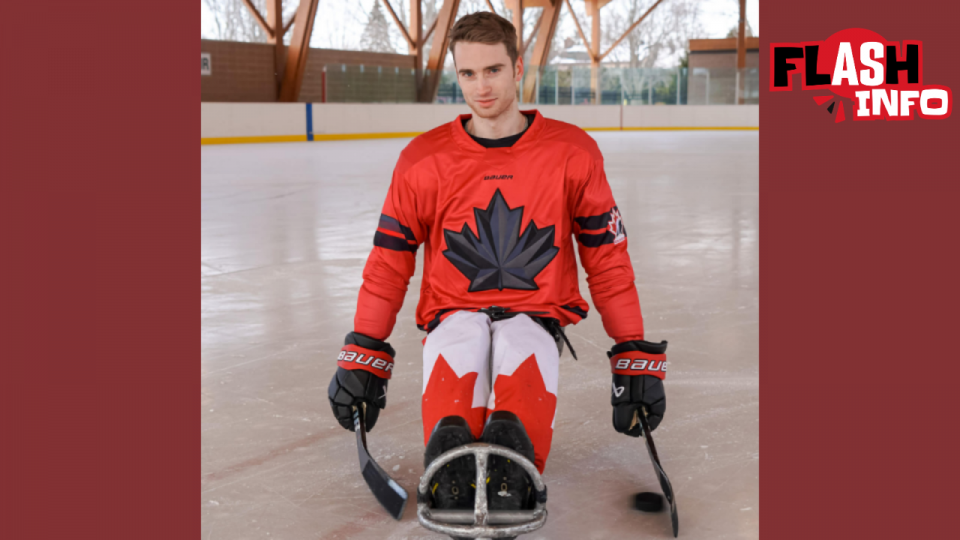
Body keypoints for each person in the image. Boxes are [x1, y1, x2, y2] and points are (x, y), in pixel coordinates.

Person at [327, 10, 667, 522]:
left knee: (520, 341)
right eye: (467, 74)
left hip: (535, 315)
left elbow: (608, 260)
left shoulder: (572, 153)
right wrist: (363, 352)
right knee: (462, 338)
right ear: (455, 74)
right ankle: (452, 460)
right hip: (451, 312)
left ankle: (514, 463)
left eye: (492, 70)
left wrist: (632, 353)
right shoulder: (422, 160)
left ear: (518, 68)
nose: (480, 86)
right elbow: (388, 264)